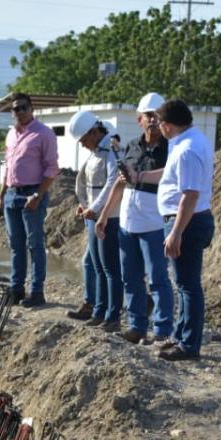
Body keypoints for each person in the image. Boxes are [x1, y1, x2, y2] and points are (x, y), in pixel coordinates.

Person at [97, 92, 173, 345]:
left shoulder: (171, 149)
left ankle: (162, 329)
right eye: (148, 116)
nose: (153, 121)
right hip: (128, 221)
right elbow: (119, 184)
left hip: (154, 221)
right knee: (130, 277)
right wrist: (104, 216)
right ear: (139, 119)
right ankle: (137, 325)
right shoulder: (131, 147)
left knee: (158, 279)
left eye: (157, 116)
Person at [155, 99, 216, 361]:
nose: (158, 128)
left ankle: (189, 345)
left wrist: (176, 231)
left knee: (188, 285)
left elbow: (190, 195)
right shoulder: (189, 142)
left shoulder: (187, 149)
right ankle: (181, 336)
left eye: (159, 123)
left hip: (187, 222)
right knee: (182, 284)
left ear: (167, 125)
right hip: (188, 220)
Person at [0, 92, 59, 308]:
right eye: (16, 109)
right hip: (12, 194)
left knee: (35, 244)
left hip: (32, 193)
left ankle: (37, 292)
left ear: (32, 109)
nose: (20, 112)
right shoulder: (11, 135)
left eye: (23, 108)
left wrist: (38, 196)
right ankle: (16, 290)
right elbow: (8, 167)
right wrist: (1, 196)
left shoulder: (44, 134)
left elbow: (52, 168)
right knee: (16, 245)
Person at [69, 110, 123, 331]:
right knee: (99, 267)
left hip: (109, 217)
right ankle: (99, 311)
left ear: (93, 132)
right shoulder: (95, 152)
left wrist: (96, 208)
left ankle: (113, 316)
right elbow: (85, 183)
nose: (82, 145)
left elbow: (112, 182)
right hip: (93, 217)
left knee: (111, 268)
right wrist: (84, 205)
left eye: (83, 140)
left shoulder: (111, 150)